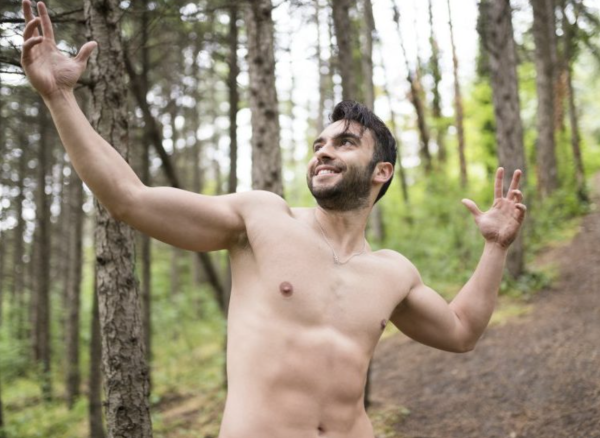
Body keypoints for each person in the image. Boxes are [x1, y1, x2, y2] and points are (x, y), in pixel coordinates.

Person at [20, 1, 527, 437]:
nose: (323, 151)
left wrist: (496, 247)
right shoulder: (261, 219)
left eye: (345, 143)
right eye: (319, 144)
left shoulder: (394, 272)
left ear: (382, 172)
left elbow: (461, 332)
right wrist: (59, 97)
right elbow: (130, 199)